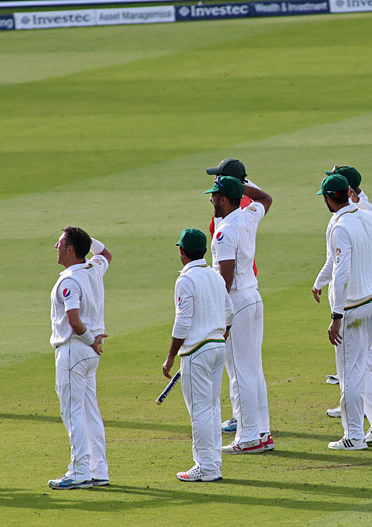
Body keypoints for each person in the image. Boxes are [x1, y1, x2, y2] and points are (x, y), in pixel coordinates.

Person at [317, 174, 372, 450]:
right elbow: (332, 264)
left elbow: (342, 272)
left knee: (349, 372)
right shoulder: (367, 216)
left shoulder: (340, 227)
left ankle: (354, 436)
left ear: (328, 198)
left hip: (353, 307)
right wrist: (319, 282)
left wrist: (336, 316)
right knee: (360, 367)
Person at [206, 175, 275, 454]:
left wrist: (221, 316)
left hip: (236, 302)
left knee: (240, 374)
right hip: (253, 298)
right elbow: (265, 198)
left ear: (224, 199)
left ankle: (247, 438)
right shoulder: (249, 215)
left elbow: (225, 278)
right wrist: (239, 184)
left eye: (214, 195)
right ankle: (262, 432)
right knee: (254, 370)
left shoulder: (225, 230)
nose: (211, 199)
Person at [162, 228, 234, 482]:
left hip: (196, 351)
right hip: (216, 347)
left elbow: (182, 323)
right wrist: (219, 336)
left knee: (201, 410)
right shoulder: (215, 276)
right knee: (212, 408)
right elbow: (229, 312)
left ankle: (205, 466)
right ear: (204, 251)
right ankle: (213, 463)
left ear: (182, 252)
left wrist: (171, 356)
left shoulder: (186, 280)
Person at [48, 226, 111, 490]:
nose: (56, 247)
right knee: (89, 412)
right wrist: (85, 240)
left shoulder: (70, 281)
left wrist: (90, 341)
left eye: (61, 242)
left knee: (73, 413)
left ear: (71, 249)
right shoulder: (94, 268)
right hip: (88, 354)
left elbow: (74, 321)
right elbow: (105, 253)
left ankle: (80, 471)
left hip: (75, 349)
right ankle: (99, 469)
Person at [205, 159, 257, 435]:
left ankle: (246, 427)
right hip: (246, 288)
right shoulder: (246, 210)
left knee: (240, 368)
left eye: (218, 180)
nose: (213, 186)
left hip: (236, 291)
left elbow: (226, 274)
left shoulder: (238, 212)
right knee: (247, 368)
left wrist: (219, 312)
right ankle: (255, 426)